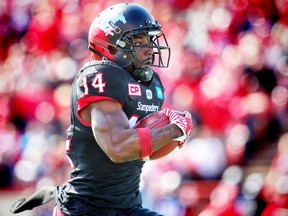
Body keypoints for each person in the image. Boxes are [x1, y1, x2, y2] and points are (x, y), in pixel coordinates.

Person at [10, 3, 193, 216]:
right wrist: (172, 130)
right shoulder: (101, 76)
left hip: (127, 207)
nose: (150, 48)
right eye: (139, 41)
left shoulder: (152, 85)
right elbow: (117, 147)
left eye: (150, 40)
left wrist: (176, 134)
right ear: (113, 48)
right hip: (86, 209)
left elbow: (146, 152)